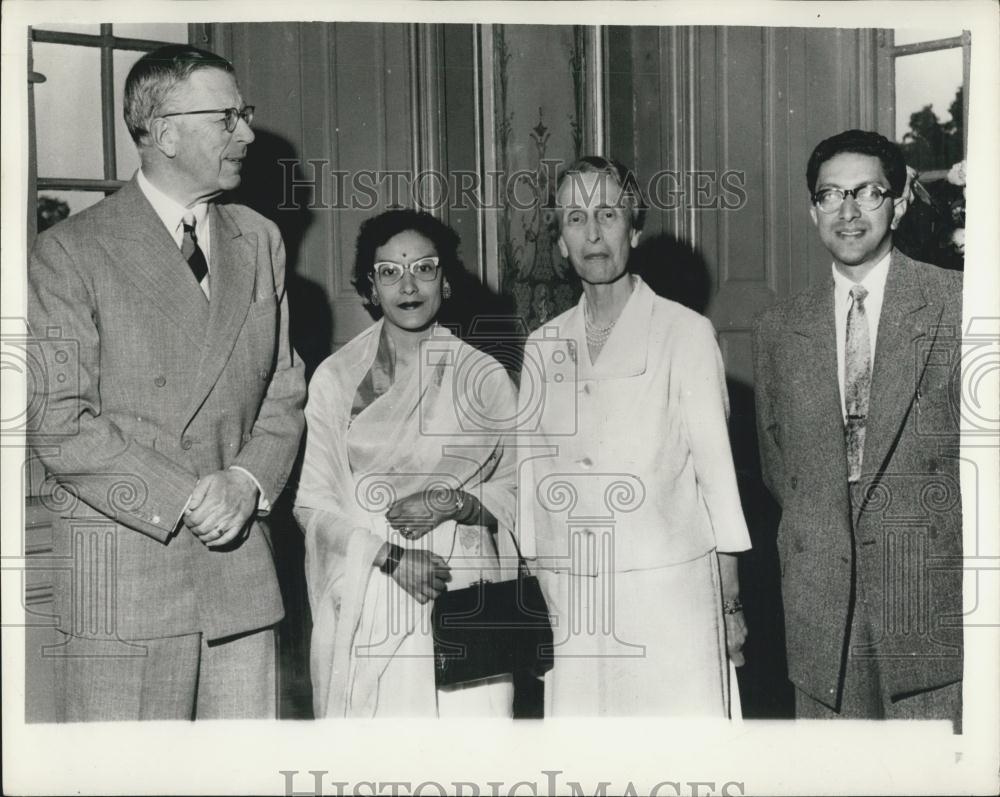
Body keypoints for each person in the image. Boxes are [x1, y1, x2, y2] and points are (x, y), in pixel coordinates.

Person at [26, 45, 306, 721]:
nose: (246, 133)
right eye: (228, 117)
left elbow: (285, 384)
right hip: (126, 580)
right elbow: (58, 418)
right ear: (165, 129)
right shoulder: (70, 252)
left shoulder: (259, 238)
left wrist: (247, 482)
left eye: (247, 114)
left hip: (240, 577)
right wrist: (186, 497)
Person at [517, 156, 751, 716]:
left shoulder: (685, 333)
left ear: (635, 228)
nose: (593, 233)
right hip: (575, 597)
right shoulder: (542, 345)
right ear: (559, 241)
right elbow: (530, 481)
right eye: (575, 218)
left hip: (671, 594)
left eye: (608, 214)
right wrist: (541, 583)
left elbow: (717, 478)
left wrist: (729, 604)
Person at [753, 129, 963, 724]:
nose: (847, 212)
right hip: (821, 607)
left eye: (867, 193)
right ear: (812, 208)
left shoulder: (958, 302)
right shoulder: (777, 328)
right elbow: (780, 469)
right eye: (829, 195)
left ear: (897, 203)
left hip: (928, 602)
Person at [293, 209, 518, 717]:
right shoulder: (334, 379)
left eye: (424, 267)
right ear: (370, 288)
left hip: (460, 594)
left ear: (446, 281)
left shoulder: (484, 378)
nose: (408, 284)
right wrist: (389, 558)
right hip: (369, 587)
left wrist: (454, 502)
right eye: (389, 271)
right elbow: (312, 505)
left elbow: (522, 496)